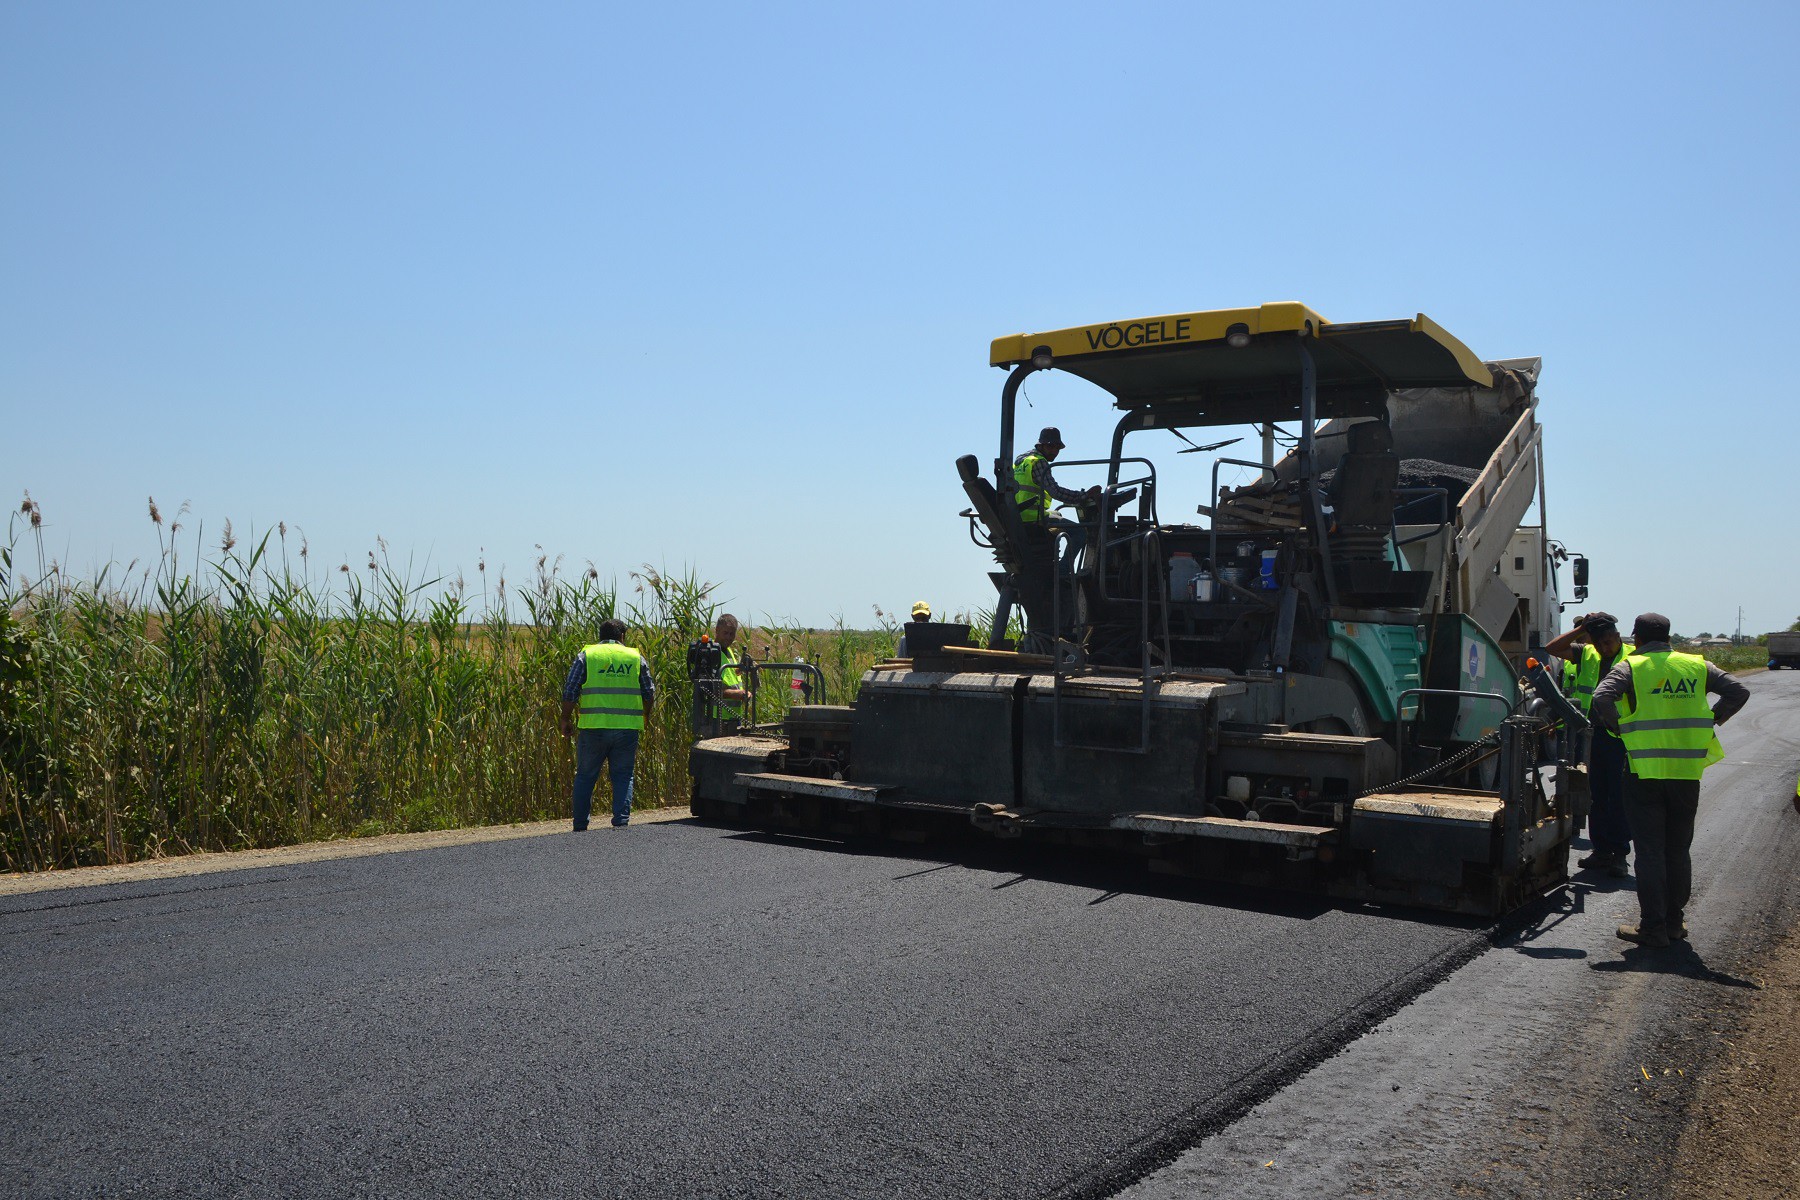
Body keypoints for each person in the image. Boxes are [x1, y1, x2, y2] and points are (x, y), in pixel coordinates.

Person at [1591, 612, 1749, 947]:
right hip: (1686, 773)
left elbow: (1601, 698)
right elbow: (1738, 691)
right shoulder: (1696, 665)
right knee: (1678, 851)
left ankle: (1652, 928)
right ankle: (1675, 924)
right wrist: (1713, 719)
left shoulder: (1631, 667)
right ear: (1668, 635)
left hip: (1643, 772)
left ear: (1637, 635)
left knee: (1649, 852)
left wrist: (1618, 728)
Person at [1544, 612, 1635, 877]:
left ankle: (1619, 854)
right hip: (1591, 736)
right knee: (1594, 794)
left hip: (1621, 737)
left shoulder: (1633, 656)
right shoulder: (1587, 654)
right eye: (1600, 643)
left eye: (1609, 642)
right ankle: (1601, 850)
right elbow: (1552, 648)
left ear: (1618, 637)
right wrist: (1582, 628)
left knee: (1618, 796)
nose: (1605, 648)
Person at [559, 617, 655, 830]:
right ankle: (621, 822)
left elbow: (570, 690)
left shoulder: (588, 655)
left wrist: (565, 718)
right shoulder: (635, 657)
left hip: (594, 728)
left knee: (585, 776)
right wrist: (644, 715)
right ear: (622, 637)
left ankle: (580, 825)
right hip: (627, 729)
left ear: (600, 636)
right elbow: (649, 692)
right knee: (623, 775)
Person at [1013, 426, 1099, 573]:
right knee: (1080, 533)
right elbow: (1055, 492)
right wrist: (1083, 496)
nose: (1055, 451)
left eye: (1057, 447)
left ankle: (1054, 562)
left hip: (1018, 515)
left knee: (1057, 514)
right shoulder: (1039, 462)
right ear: (1040, 445)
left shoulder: (1021, 461)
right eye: (1051, 446)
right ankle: (1063, 571)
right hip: (1034, 517)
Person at [708, 613, 749, 731]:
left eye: (732, 634)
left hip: (734, 717)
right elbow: (708, 689)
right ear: (717, 630)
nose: (728, 637)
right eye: (725, 633)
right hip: (718, 718)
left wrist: (740, 670)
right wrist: (735, 694)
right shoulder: (711, 653)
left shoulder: (729, 651)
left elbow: (731, 677)